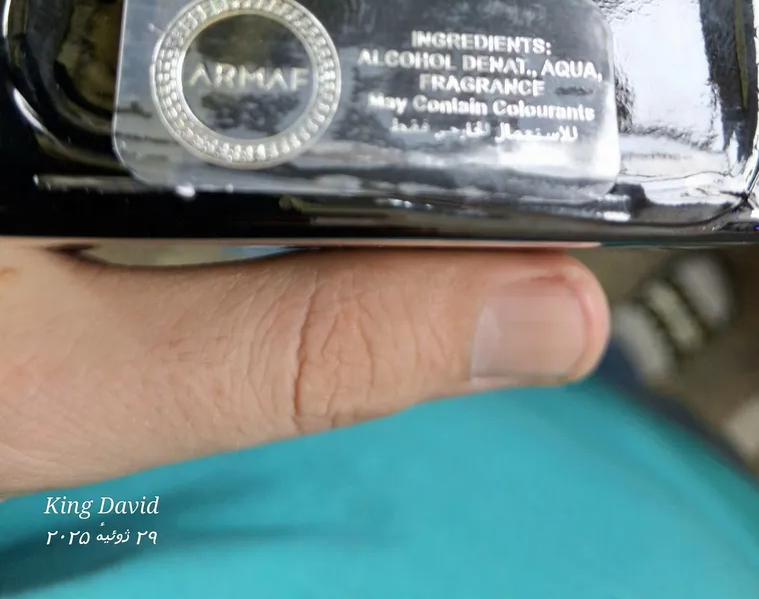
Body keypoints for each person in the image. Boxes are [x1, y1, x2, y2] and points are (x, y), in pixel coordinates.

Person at [1, 242, 759, 598]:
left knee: (550, 358)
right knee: (570, 378)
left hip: (102, 509)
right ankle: (619, 366)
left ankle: (615, 362)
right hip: (657, 513)